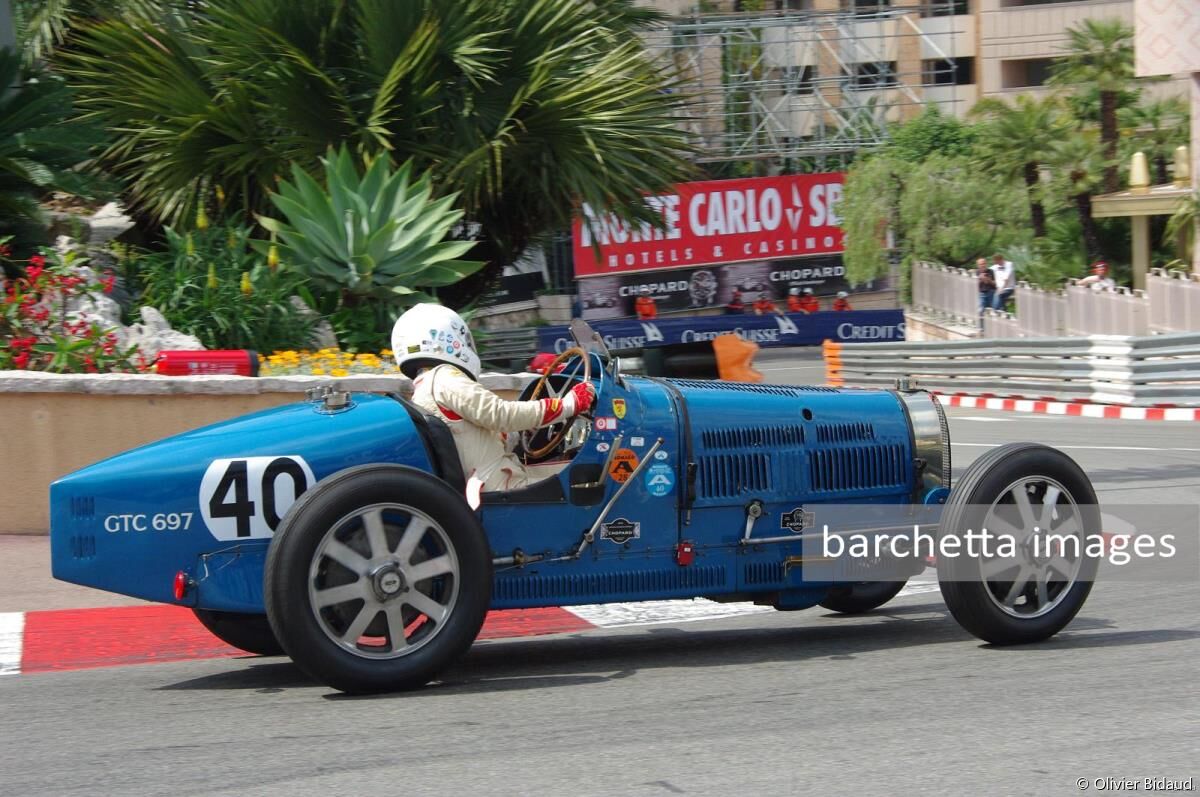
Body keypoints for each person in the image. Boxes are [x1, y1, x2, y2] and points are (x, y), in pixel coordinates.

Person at [394, 303, 595, 493]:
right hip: (501, 484)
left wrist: (522, 430)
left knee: (584, 469)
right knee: (594, 478)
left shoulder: (426, 386)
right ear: (446, 340)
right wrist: (569, 404)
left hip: (491, 479)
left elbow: (474, 433)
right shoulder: (444, 378)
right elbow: (500, 414)